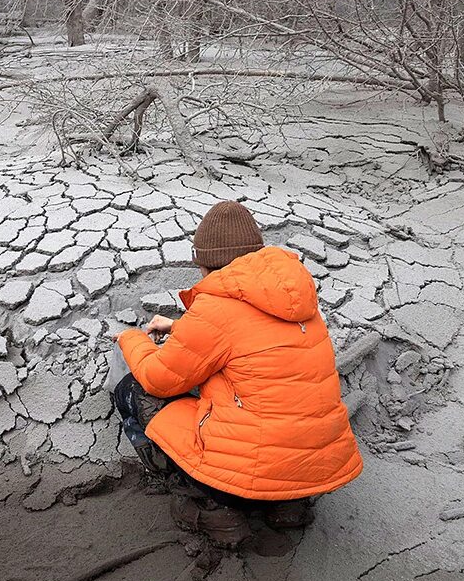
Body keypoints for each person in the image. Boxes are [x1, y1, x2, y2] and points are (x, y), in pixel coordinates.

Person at [111, 200, 363, 546]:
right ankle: (288, 505)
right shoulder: (297, 298)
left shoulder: (215, 307)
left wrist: (132, 339)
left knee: (133, 391)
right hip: (314, 467)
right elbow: (251, 338)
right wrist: (181, 328)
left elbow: (159, 378)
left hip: (255, 470)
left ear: (205, 263)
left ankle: (216, 507)